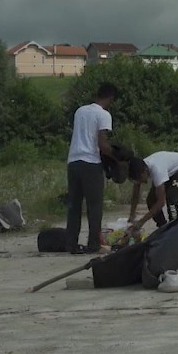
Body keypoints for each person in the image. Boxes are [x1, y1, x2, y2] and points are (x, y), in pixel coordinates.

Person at [64, 83, 118, 255]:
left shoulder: (80, 111)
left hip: (73, 161)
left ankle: (71, 243)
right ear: (110, 98)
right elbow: (102, 143)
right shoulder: (103, 115)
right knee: (94, 206)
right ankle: (94, 244)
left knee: (74, 205)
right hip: (91, 162)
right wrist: (117, 157)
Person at [128, 149, 178, 230]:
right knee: (151, 200)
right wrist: (132, 215)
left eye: (140, 179)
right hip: (168, 171)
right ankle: (163, 227)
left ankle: (175, 228)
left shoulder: (157, 170)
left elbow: (161, 202)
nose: (141, 182)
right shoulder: (138, 169)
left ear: (144, 171)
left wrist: (141, 222)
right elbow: (135, 196)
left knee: (171, 199)